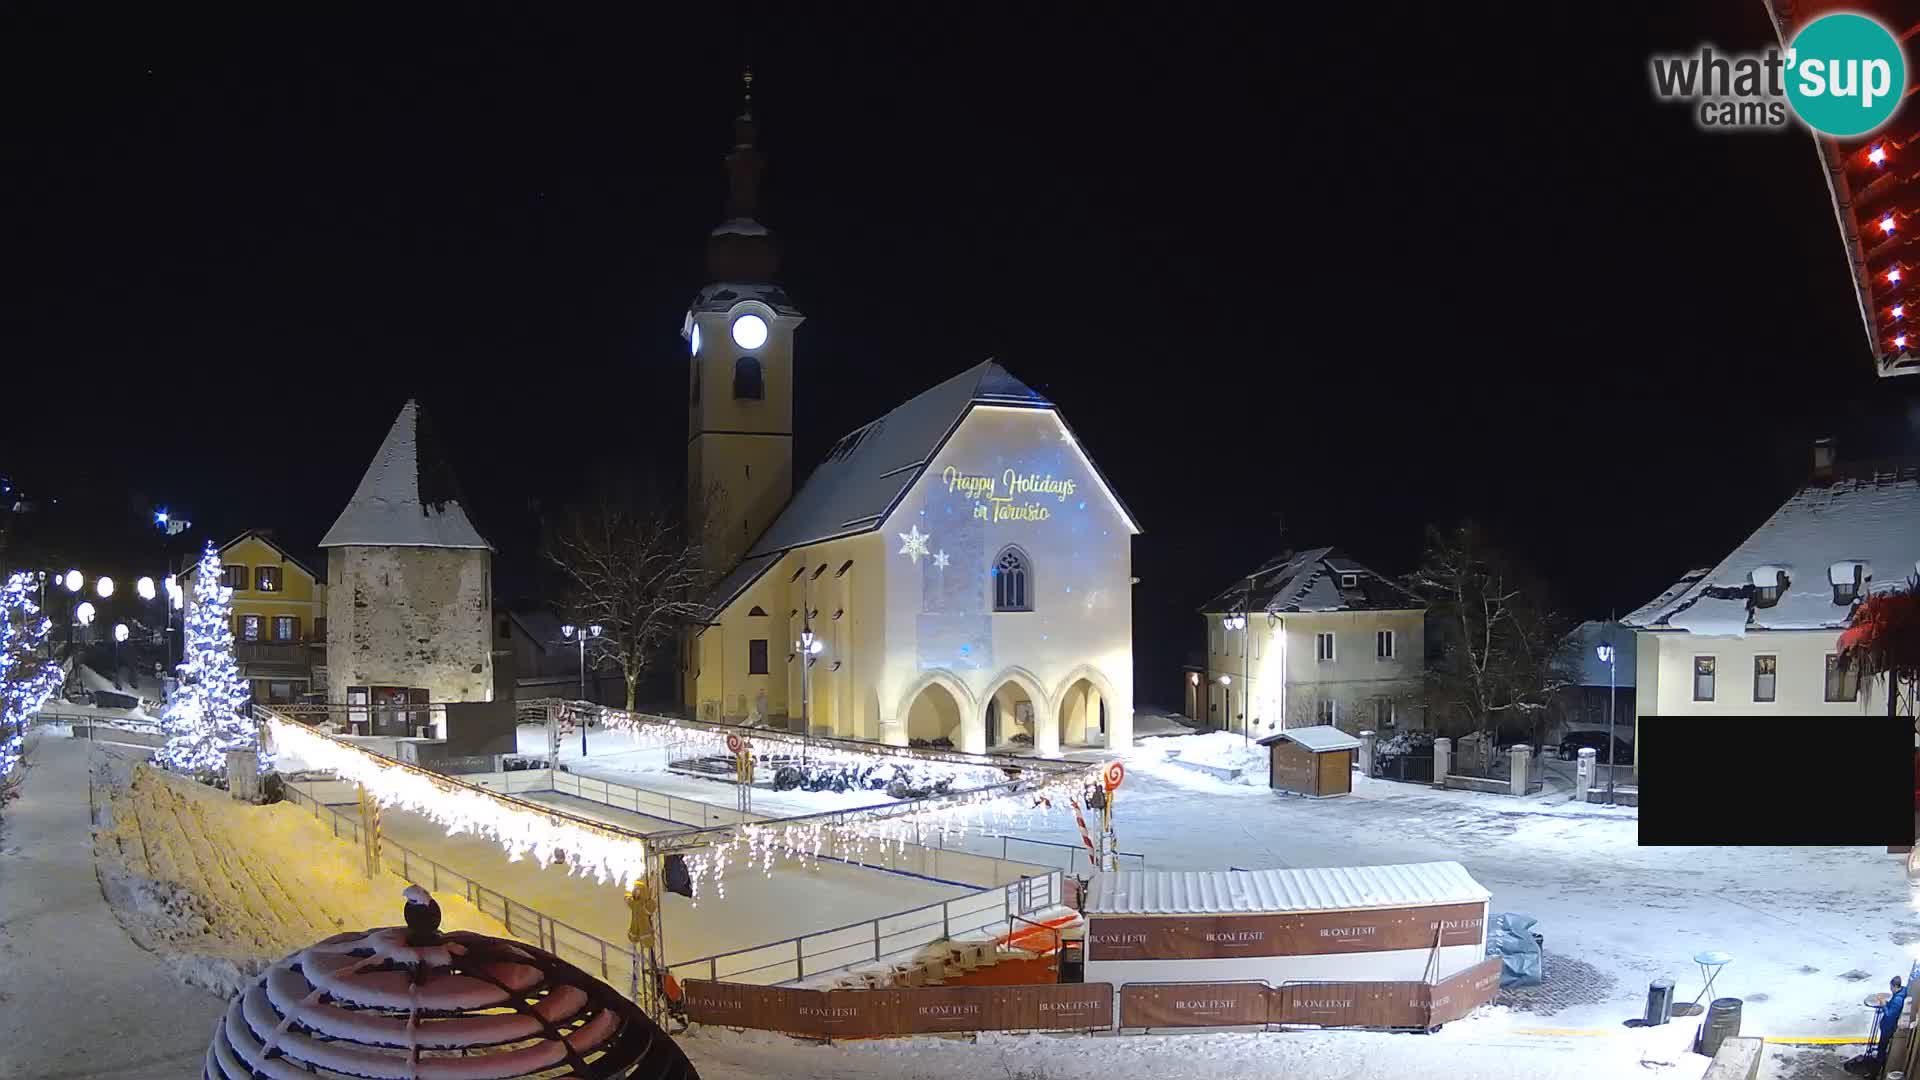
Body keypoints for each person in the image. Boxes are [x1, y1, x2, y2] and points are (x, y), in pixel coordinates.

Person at [1879, 975, 1908, 1063]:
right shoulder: (1901, 993)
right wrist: (1887, 1003)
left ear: (1895, 986)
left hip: (1888, 1028)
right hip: (1888, 1027)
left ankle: (1878, 1067)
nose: (1890, 989)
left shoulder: (1898, 1000)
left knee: (1882, 1048)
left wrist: (1884, 1005)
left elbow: (1889, 1015)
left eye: (1891, 987)